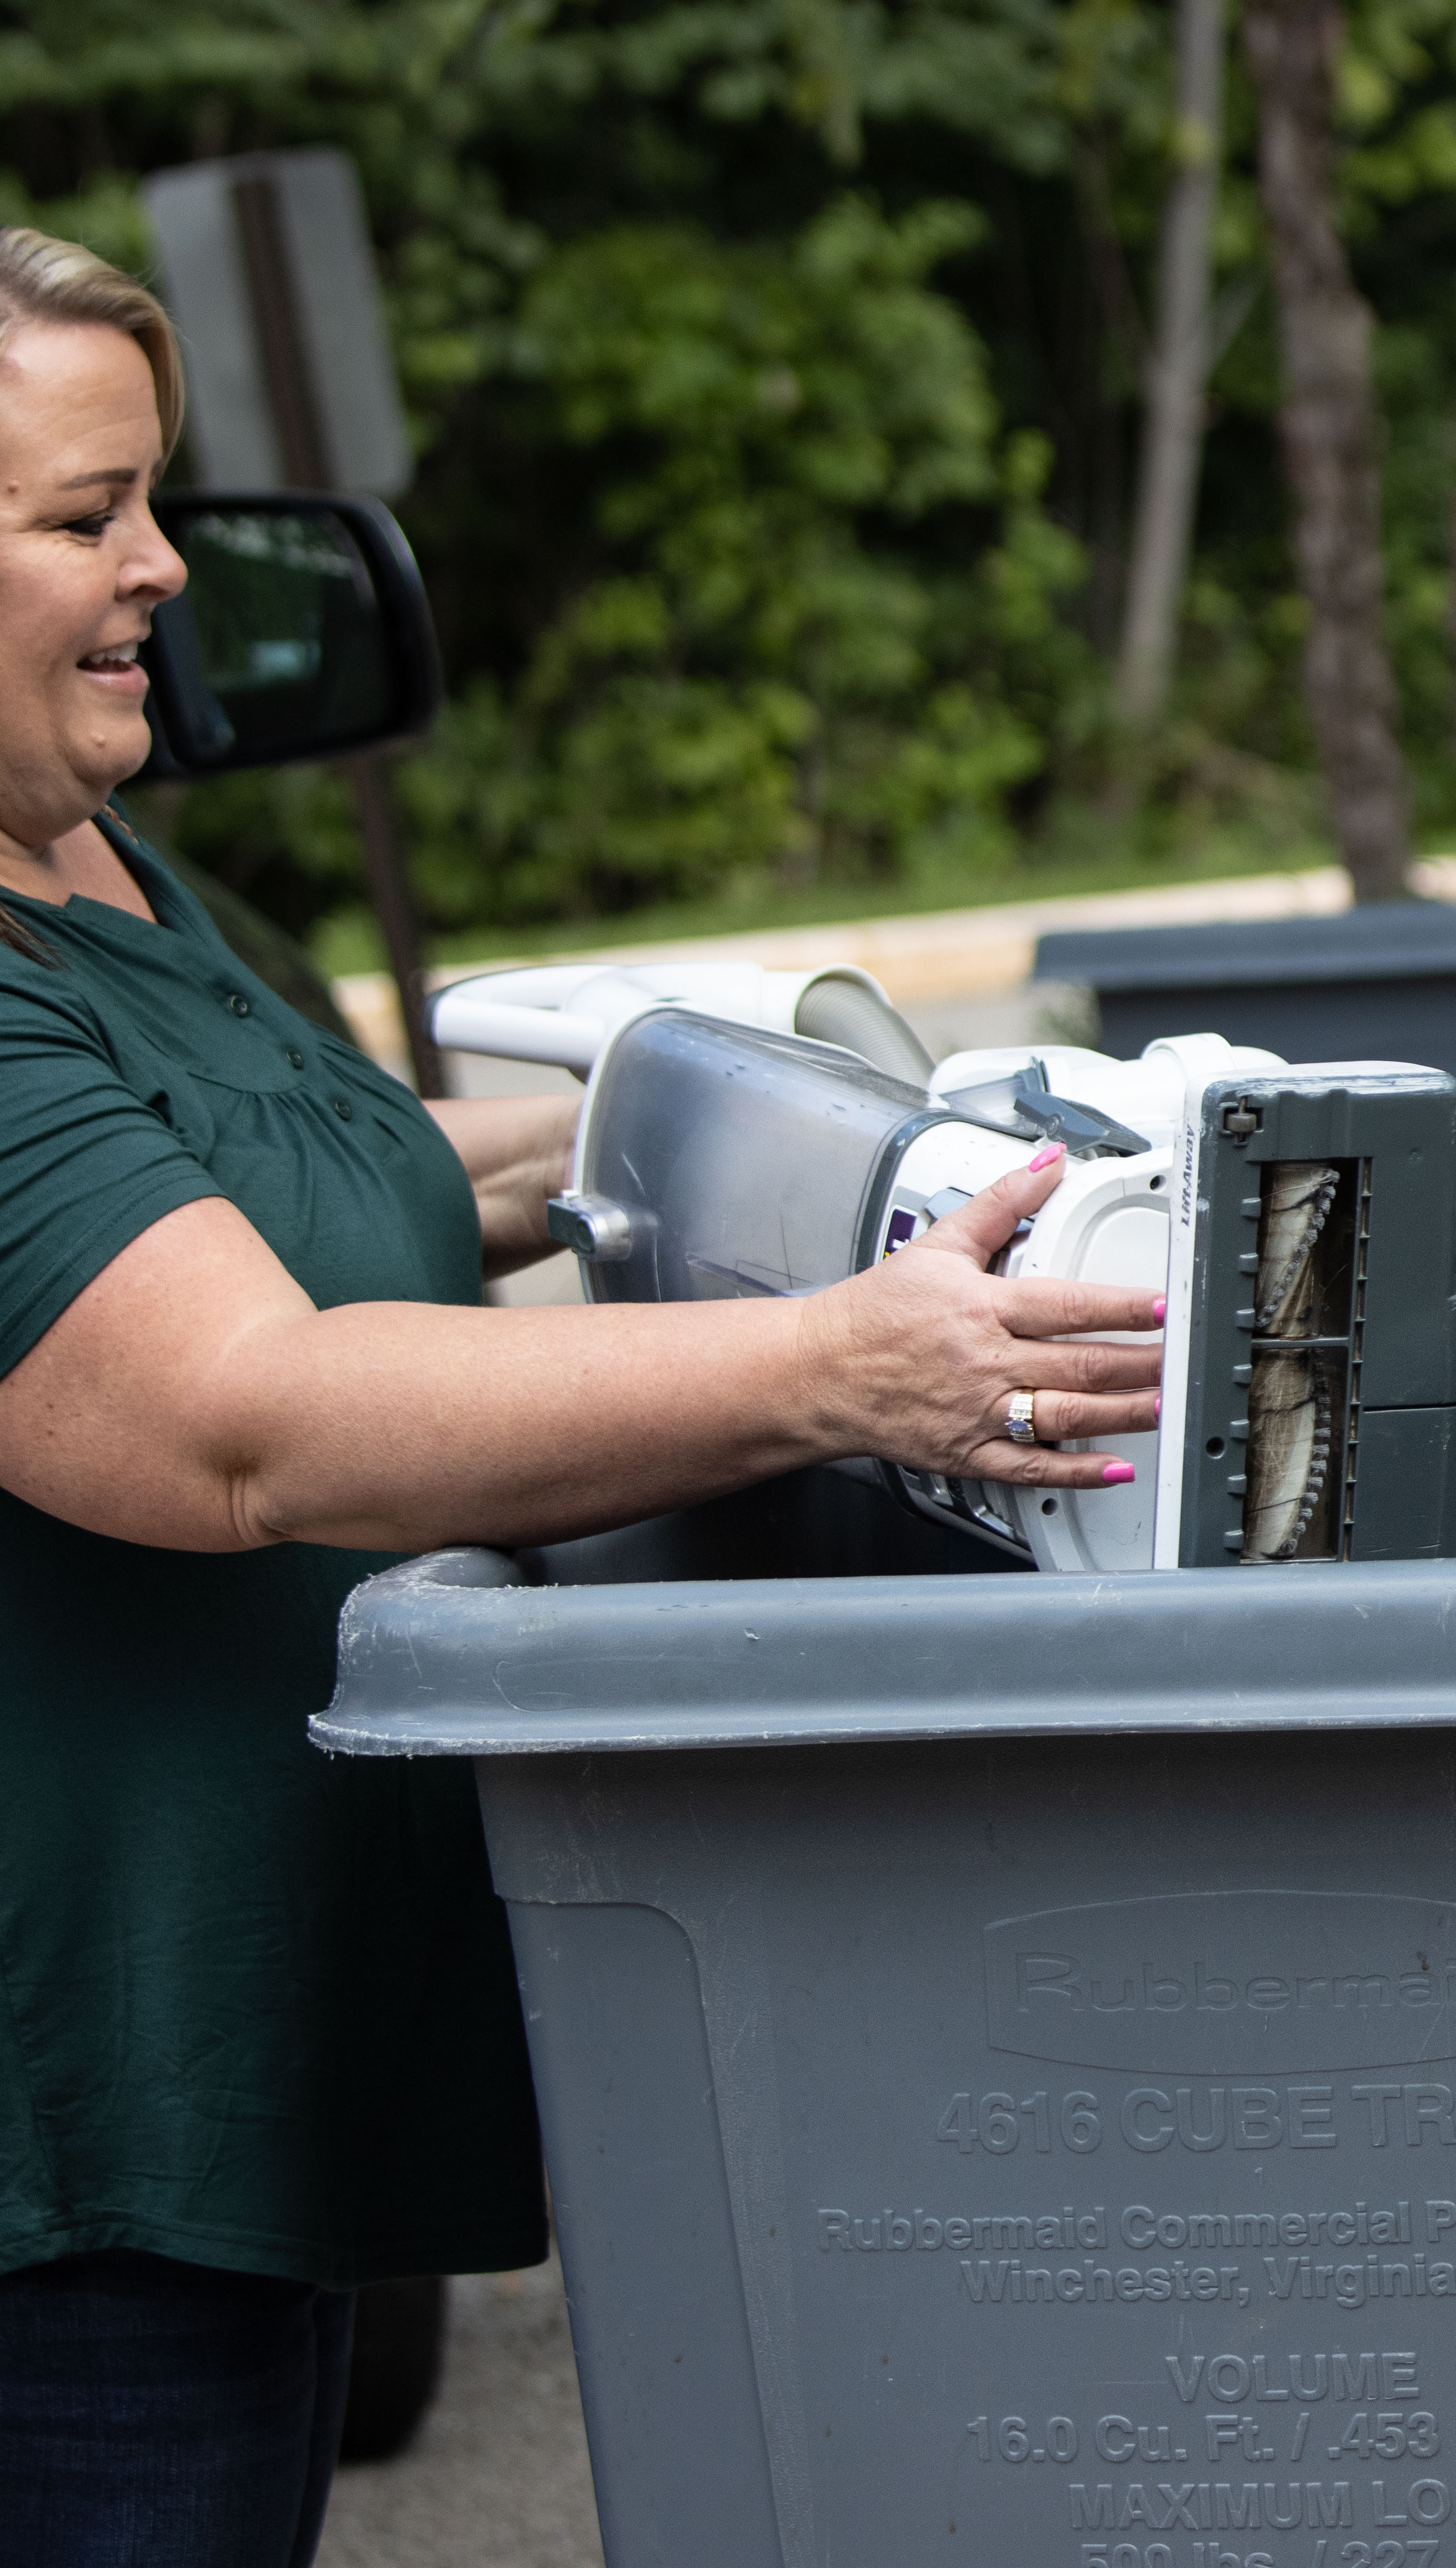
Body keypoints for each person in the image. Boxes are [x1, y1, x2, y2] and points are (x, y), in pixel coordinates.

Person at [0, 231, 1164, 2565]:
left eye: (160, 501)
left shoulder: (98, 864)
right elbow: (246, 1414)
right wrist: (846, 1359)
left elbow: (275, 1190)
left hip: (227, 2105)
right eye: (86, 514)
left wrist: (726, 1117)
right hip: (63, 2155)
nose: (161, 572)